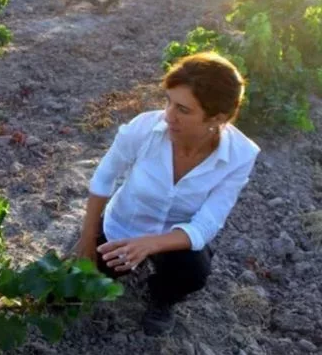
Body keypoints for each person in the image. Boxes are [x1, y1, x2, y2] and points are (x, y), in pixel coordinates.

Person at [74, 52, 260, 336]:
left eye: (183, 110)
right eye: (168, 101)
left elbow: (207, 223)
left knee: (193, 272)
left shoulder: (240, 155)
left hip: (176, 239)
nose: (168, 115)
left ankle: (162, 297)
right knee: (73, 289)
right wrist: (88, 238)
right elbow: (104, 178)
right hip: (122, 227)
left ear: (217, 118)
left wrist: (150, 245)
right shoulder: (144, 129)